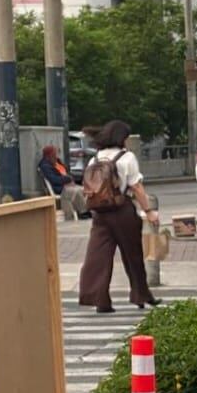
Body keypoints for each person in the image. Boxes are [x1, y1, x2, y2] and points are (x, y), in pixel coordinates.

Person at [77, 120, 159, 313]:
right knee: (132, 254)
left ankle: (99, 299)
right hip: (122, 210)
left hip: (100, 213)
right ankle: (141, 295)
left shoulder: (95, 159)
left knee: (98, 255)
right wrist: (149, 211)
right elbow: (136, 187)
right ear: (122, 138)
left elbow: (87, 187)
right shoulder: (127, 157)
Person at [37, 145, 86, 221]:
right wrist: (68, 179)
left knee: (83, 189)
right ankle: (83, 212)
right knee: (76, 191)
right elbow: (54, 180)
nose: (56, 156)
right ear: (49, 155)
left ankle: (85, 211)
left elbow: (65, 173)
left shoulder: (57, 162)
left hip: (67, 184)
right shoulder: (45, 166)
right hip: (59, 187)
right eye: (54, 154)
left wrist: (70, 179)